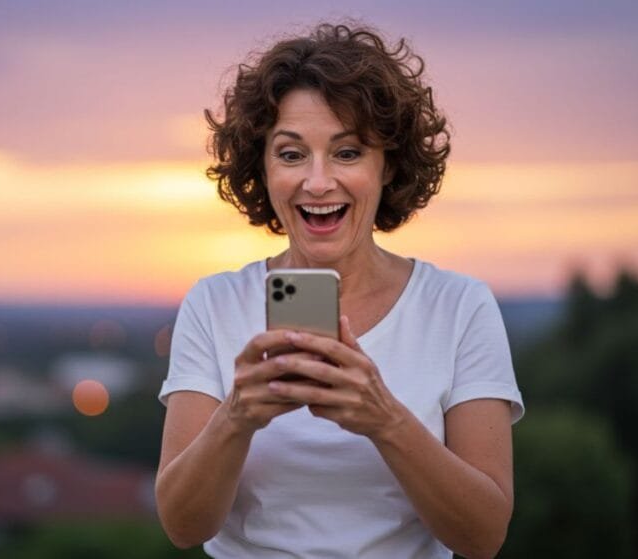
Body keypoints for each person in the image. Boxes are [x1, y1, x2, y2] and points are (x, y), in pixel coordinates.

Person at [156, 22, 524, 559]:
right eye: (290, 154)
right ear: (261, 168)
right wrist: (236, 416)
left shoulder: (460, 307)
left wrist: (384, 418)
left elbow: (483, 536)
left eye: (348, 153)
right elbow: (183, 526)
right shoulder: (214, 304)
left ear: (388, 165)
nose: (319, 181)